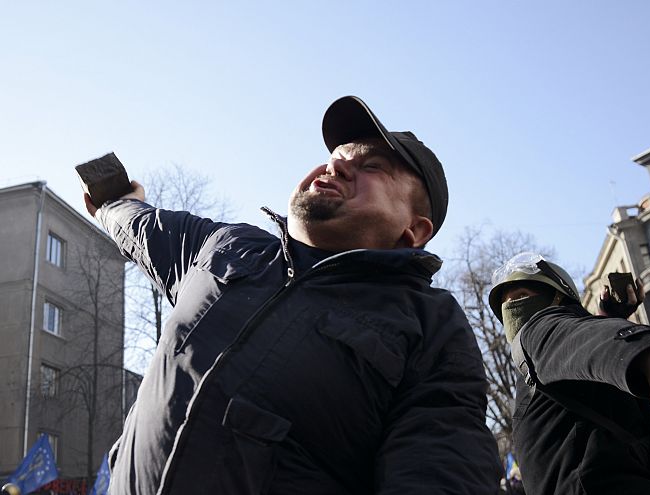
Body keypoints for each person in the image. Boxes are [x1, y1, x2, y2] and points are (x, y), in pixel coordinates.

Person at [83, 96, 502, 494]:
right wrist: (114, 204)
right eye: (336, 158)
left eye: (371, 165)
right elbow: (143, 227)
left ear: (414, 231)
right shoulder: (226, 245)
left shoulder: (431, 326)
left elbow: (442, 468)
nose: (336, 166)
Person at [488, 252, 650, 495]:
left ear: (557, 298)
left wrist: (644, 351)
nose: (512, 308)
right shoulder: (547, 358)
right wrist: (609, 323)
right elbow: (578, 351)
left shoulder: (539, 332)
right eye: (505, 305)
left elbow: (564, 336)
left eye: (520, 296)